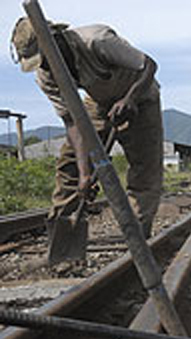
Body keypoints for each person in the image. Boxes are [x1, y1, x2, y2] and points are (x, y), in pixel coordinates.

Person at [10, 17, 164, 238]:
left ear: (56, 41)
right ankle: (63, 237)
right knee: (70, 164)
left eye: (43, 58)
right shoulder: (46, 77)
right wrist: (85, 174)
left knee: (144, 171)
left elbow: (149, 65)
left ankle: (137, 236)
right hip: (99, 101)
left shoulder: (97, 41)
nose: (43, 66)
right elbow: (72, 123)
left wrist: (130, 99)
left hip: (141, 96)